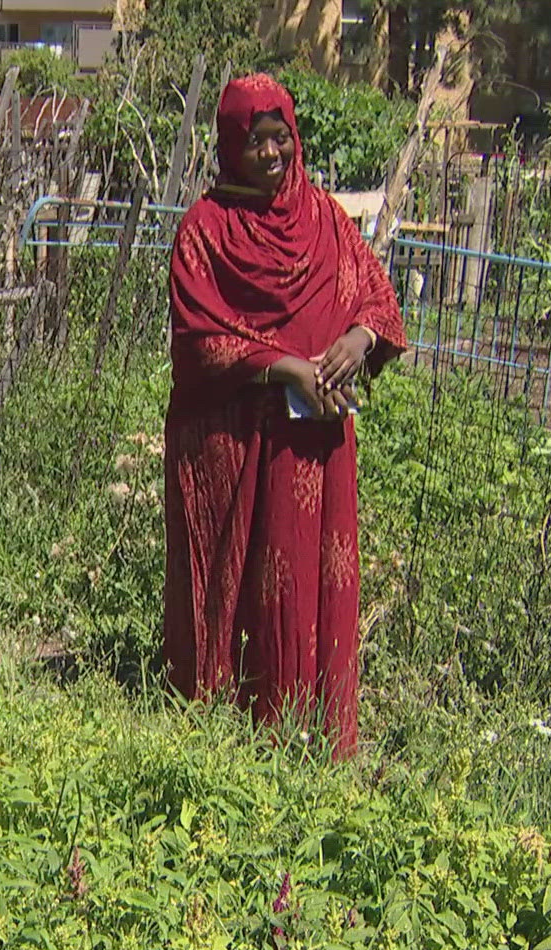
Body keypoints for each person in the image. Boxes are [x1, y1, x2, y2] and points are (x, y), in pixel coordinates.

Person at [162, 73, 407, 762]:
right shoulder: (207, 232)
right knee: (248, 593)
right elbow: (199, 341)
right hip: (239, 443)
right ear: (229, 145)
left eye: (280, 139)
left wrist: (357, 341)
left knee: (308, 579)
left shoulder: (324, 218)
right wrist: (288, 366)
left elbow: (377, 300)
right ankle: (234, 731)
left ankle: (316, 732)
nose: (270, 155)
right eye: (254, 141)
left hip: (315, 443)